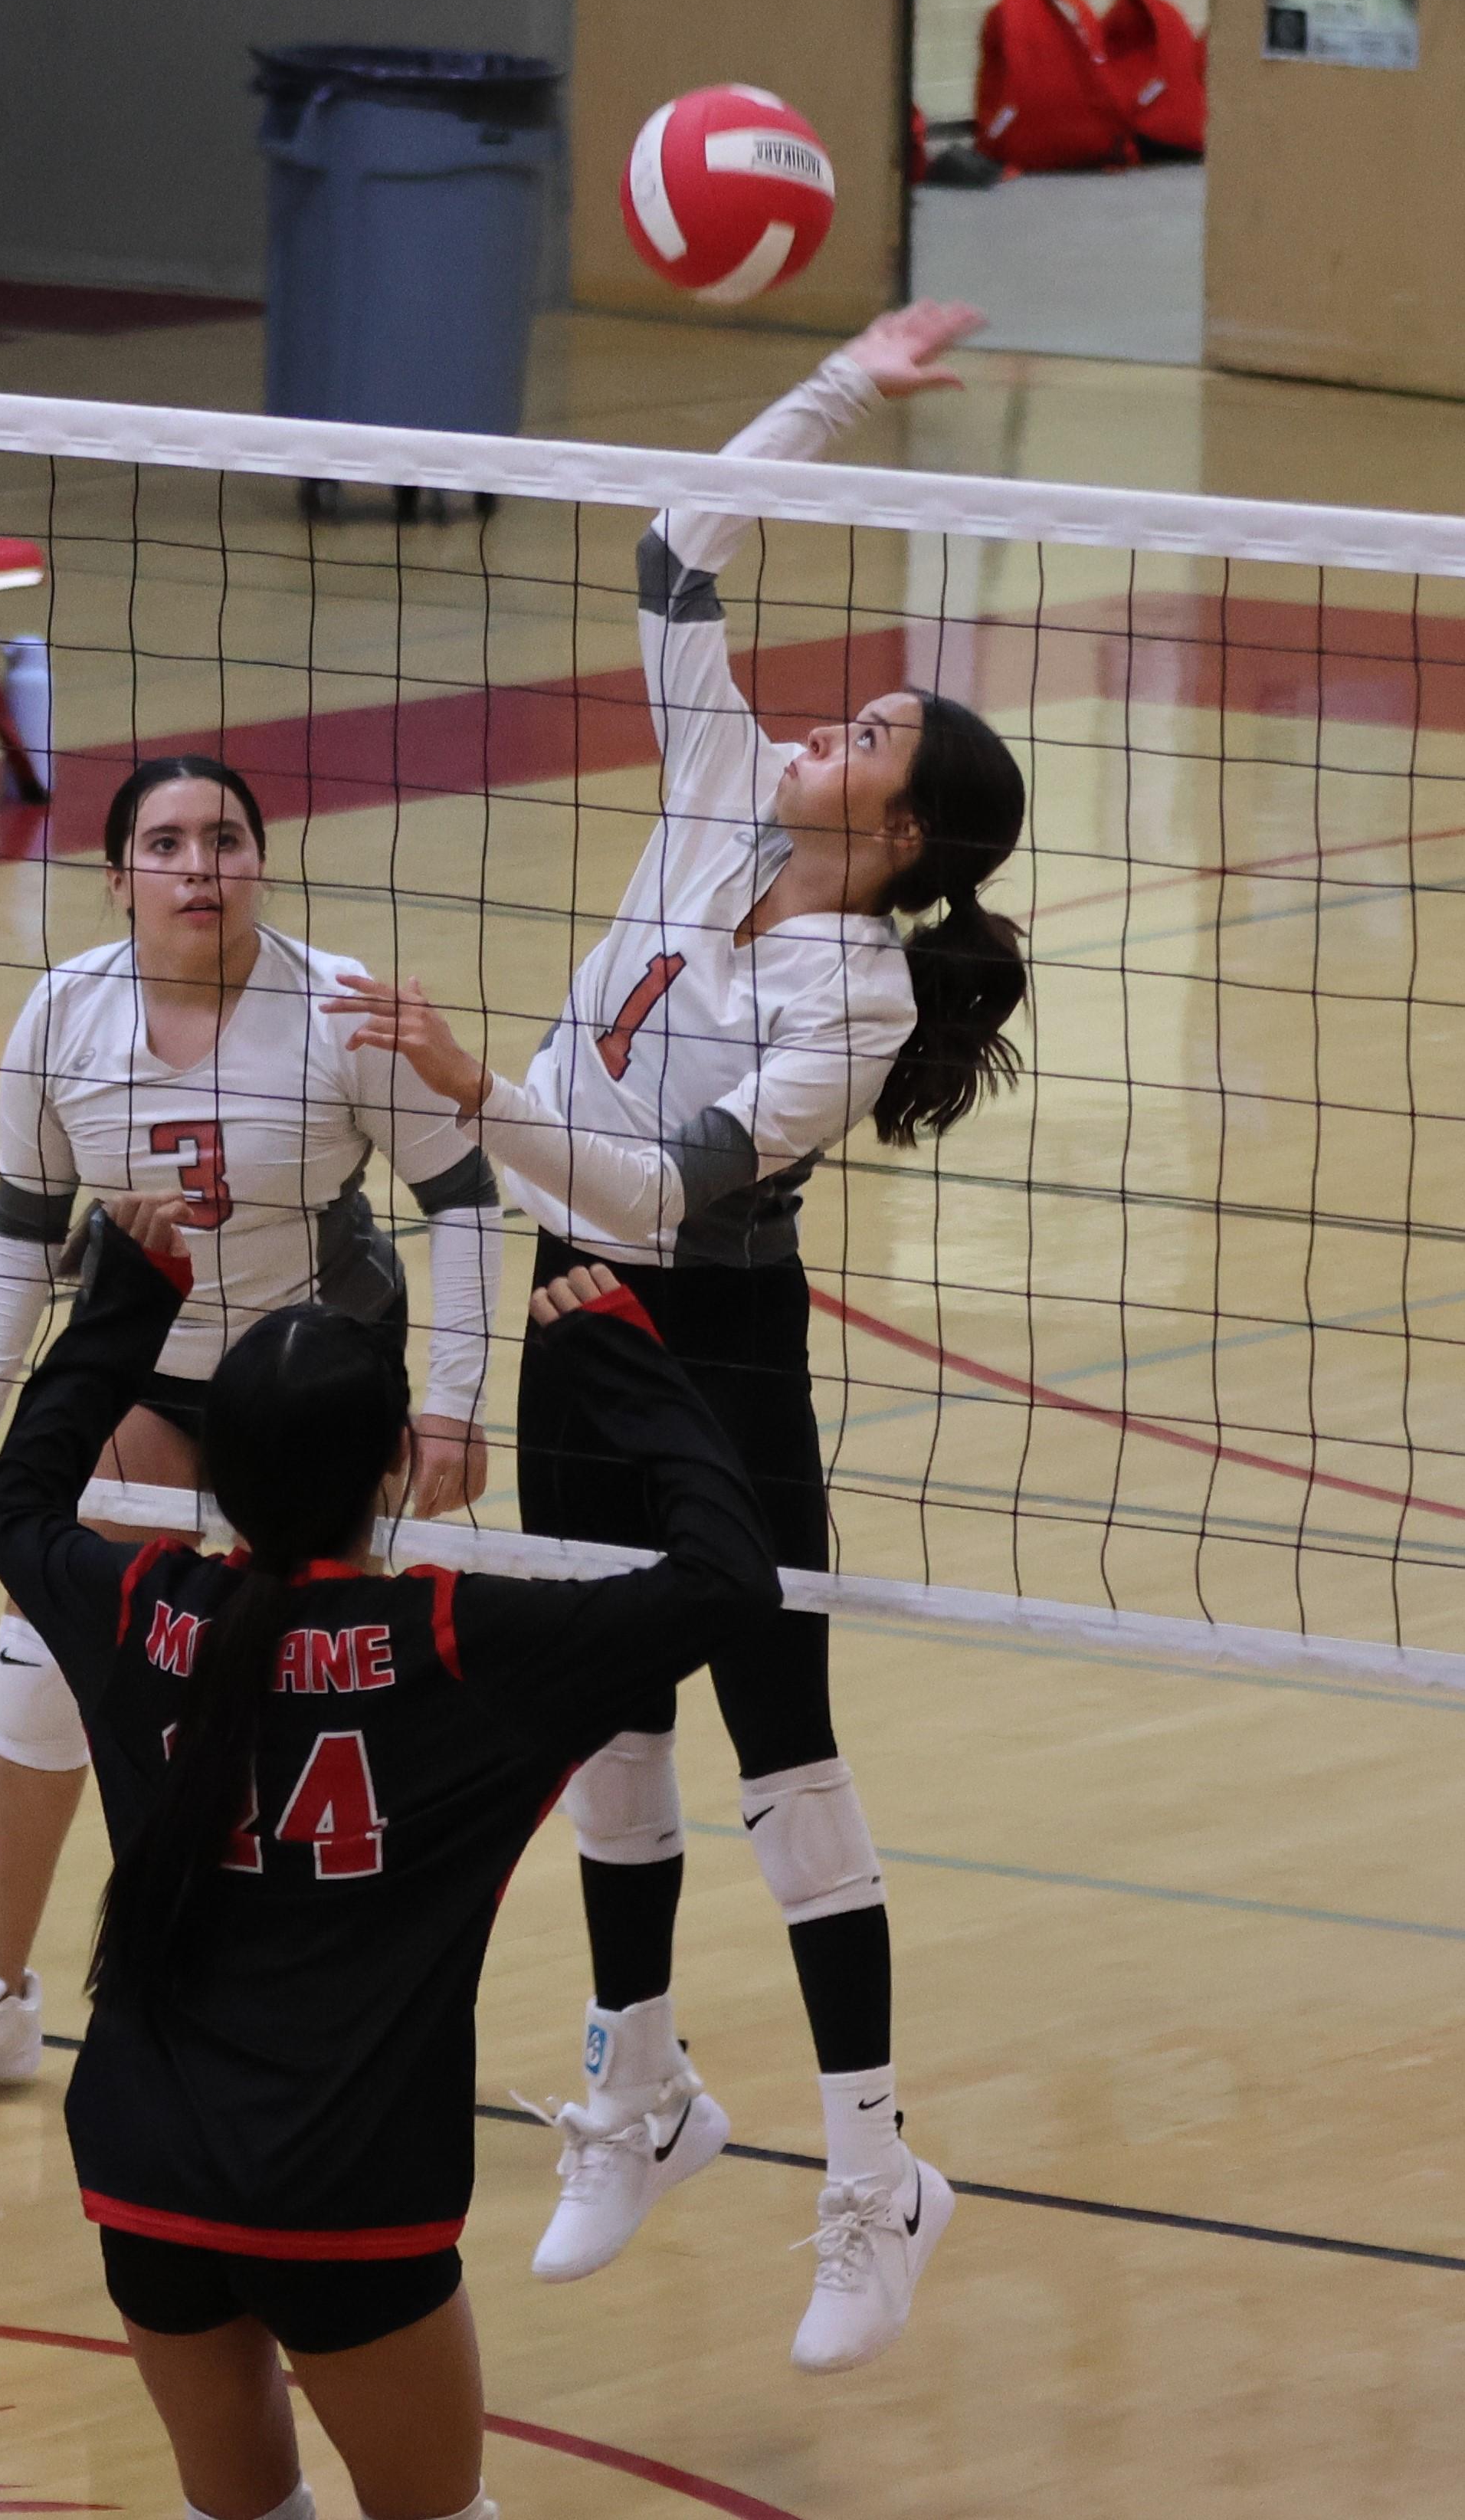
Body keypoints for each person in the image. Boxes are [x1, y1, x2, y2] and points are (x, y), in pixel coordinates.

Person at [332, 300, 1028, 2376]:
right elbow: (673, 544)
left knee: (778, 1750)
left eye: (868, 738)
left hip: (707, 1346)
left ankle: (875, 2171)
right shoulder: (723, 777)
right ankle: (637, 2091)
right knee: (598, 1726)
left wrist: (474, 1088)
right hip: (568, 1315)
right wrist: (843, 381)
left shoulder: (859, 999)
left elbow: (664, 1196)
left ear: (896, 837)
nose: (821, 726)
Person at [0, 1193, 782, 2520]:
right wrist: (634, 1372)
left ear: (218, 1474)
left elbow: (15, 1502)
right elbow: (730, 1581)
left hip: (148, 2175)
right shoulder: (466, 1650)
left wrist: (127, 1298)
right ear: (397, 1464)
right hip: (345, 2195)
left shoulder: (134, 1605)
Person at [0, 755, 503, 2117]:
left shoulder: (335, 1007)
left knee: (316, 1682)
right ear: (120, 880)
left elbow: (463, 1194)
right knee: (49, 1634)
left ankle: (324, 2006)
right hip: (148, 1384)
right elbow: (24, 1233)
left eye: (227, 839)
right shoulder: (62, 1014)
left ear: (260, 865)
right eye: (167, 844)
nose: (201, 865)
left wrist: (453, 1403)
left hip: (320, 1393)